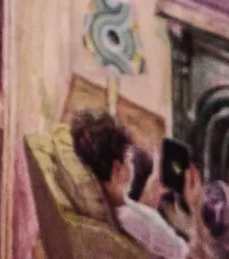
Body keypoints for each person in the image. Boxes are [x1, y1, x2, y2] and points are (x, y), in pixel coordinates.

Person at [68, 110, 201, 259]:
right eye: (129, 159)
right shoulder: (142, 222)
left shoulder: (115, 206)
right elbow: (189, 256)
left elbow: (139, 223)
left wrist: (154, 184)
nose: (132, 163)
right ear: (117, 169)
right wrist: (195, 208)